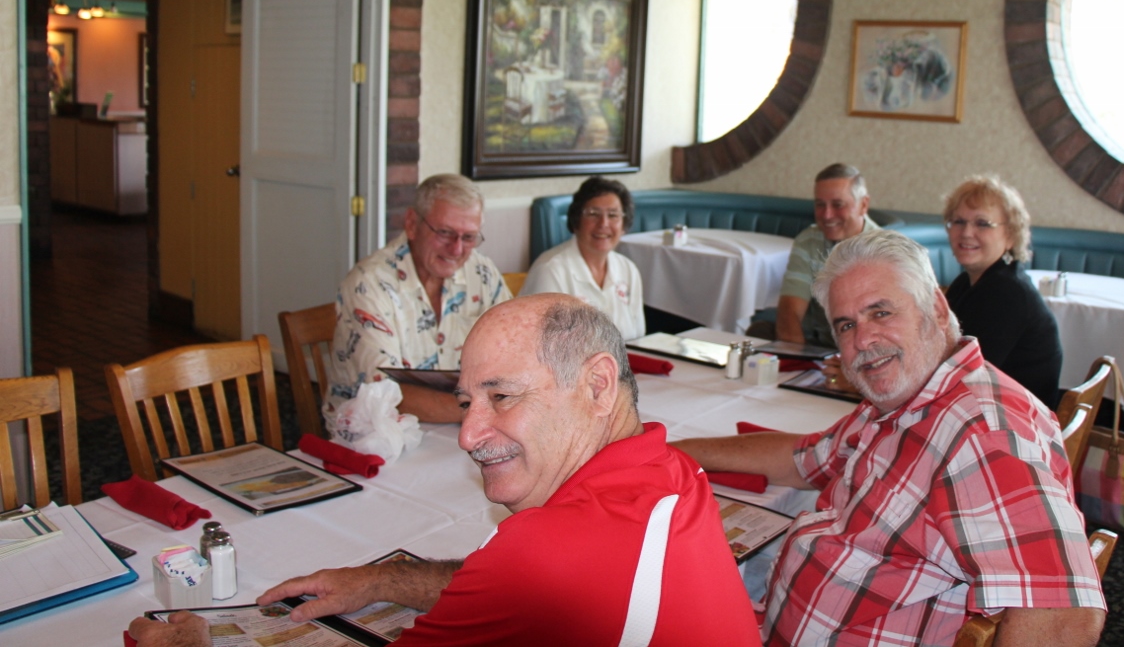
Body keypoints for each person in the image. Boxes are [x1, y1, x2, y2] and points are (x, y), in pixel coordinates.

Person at [128, 295, 759, 647]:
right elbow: (540, 593)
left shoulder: (545, 549)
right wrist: (385, 579)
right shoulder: (674, 470)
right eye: (465, 402)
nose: (467, 434)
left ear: (597, 385)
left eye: (502, 396)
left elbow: (537, 573)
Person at [676, 230, 1106, 647]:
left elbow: (1065, 615)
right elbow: (801, 459)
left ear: (936, 308)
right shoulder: (904, 400)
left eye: (881, 313)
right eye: (846, 325)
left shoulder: (981, 434)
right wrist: (670, 452)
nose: (863, 339)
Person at [325, 174, 510, 430]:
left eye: (468, 237)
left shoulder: (481, 272)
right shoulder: (369, 284)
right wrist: (486, 409)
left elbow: (515, 355)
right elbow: (385, 393)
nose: (456, 250)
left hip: (463, 426)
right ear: (412, 224)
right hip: (374, 434)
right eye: (445, 233)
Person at [943, 174, 1063, 408]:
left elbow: (963, 375)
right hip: (984, 407)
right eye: (958, 221)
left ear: (1010, 235)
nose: (966, 232)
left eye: (982, 223)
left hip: (1015, 420)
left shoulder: (1007, 294)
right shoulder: (966, 283)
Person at [520, 176, 645, 340]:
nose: (603, 223)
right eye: (593, 214)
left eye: (613, 215)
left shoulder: (628, 269)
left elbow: (639, 338)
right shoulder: (551, 270)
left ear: (624, 224)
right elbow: (540, 344)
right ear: (576, 220)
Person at [775, 163, 879, 347]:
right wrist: (797, 357)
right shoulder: (808, 241)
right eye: (820, 205)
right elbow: (789, 311)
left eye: (838, 205)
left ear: (863, 205)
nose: (827, 215)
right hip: (818, 347)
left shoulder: (886, 251)